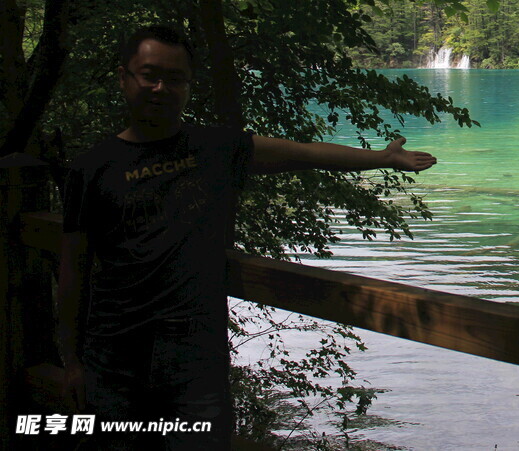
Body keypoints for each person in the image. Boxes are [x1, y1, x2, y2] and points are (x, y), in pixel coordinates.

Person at [57, 24, 436, 449]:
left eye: (176, 78)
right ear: (125, 77)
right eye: (149, 75)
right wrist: (71, 359)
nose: (161, 87)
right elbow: (74, 268)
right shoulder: (92, 168)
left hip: (194, 355)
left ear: (188, 86)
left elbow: (305, 152)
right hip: (114, 357)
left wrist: (381, 158)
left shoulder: (216, 148)